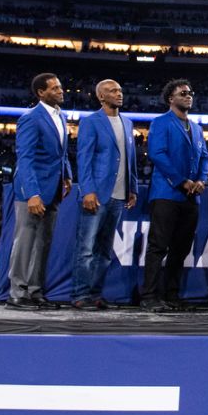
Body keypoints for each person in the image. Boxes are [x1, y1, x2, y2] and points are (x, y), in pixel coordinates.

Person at [6, 72, 72, 310]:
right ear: (41, 93)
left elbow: (61, 153)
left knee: (43, 242)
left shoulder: (61, 117)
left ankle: (35, 291)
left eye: (60, 87)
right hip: (32, 191)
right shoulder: (31, 118)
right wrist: (32, 193)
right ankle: (16, 293)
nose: (60, 91)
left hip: (53, 188)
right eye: (54, 88)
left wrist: (67, 176)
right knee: (25, 240)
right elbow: (25, 158)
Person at [143, 79, 208, 313]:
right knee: (158, 246)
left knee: (181, 249)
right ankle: (149, 295)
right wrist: (181, 180)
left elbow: (205, 159)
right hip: (167, 193)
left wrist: (202, 180)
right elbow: (157, 154)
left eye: (190, 92)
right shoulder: (161, 123)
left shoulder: (198, 128)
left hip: (191, 198)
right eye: (183, 93)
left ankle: (172, 295)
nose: (188, 96)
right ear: (171, 98)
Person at [73, 79, 139, 310]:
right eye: (112, 91)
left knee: (104, 251)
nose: (119, 94)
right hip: (98, 194)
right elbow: (84, 158)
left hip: (120, 196)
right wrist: (87, 190)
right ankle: (81, 295)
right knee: (86, 248)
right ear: (101, 96)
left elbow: (131, 158)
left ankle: (95, 293)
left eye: (120, 90)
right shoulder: (91, 122)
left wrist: (133, 188)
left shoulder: (127, 123)